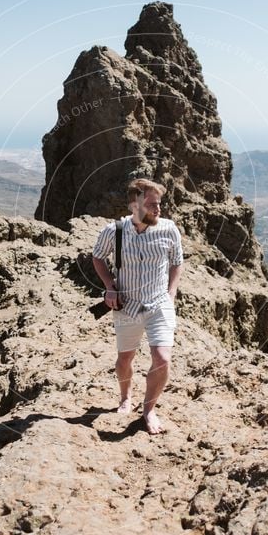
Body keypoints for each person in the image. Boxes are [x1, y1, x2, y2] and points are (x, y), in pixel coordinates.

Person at [92, 178, 183, 435]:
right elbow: (98, 256)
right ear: (135, 205)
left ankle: (148, 409)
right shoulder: (115, 231)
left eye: (159, 204)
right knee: (125, 359)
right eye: (153, 204)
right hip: (127, 306)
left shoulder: (169, 229)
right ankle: (125, 397)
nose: (158, 209)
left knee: (162, 359)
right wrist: (109, 285)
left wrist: (172, 291)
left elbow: (177, 261)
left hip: (159, 305)